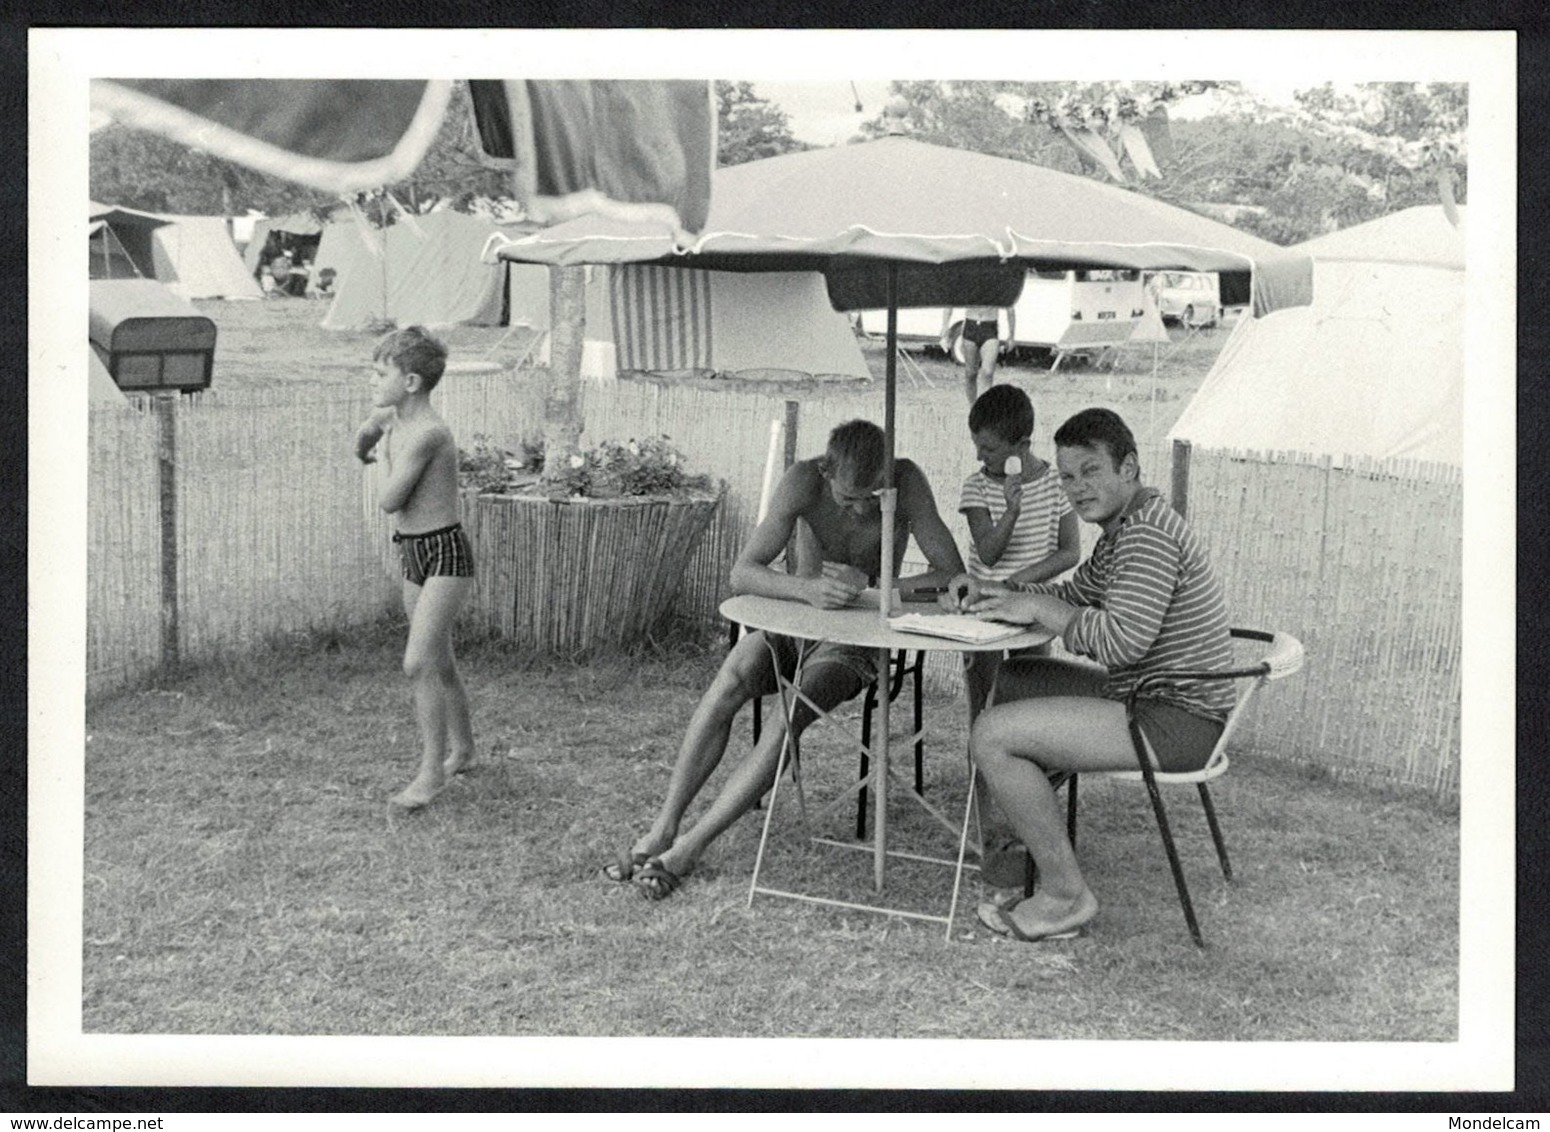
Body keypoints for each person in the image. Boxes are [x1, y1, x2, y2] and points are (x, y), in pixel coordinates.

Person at [607, 419, 967, 900]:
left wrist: (877, 588)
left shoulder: (907, 480)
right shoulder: (802, 480)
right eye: (848, 499)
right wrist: (807, 589)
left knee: (786, 715)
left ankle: (691, 847)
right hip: (794, 623)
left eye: (872, 497)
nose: (861, 509)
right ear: (825, 471)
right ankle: (663, 827)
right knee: (729, 680)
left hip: (855, 644)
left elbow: (951, 575)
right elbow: (742, 572)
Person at [947, 408, 1234, 942]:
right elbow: (1073, 597)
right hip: (1152, 696)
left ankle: (1064, 895)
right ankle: (1024, 845)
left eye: (1091, 471)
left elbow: (1122, 640)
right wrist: (1003, 594)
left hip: (1177, 720)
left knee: (991, 735)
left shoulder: (1147, 536)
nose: (1078, 489)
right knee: (1017, 679)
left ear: (1128, 467)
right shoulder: (1123, 530)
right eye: (1067, 476)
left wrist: (1038, 610)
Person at [956, 385, 1080, 883]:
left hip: (1029, 616)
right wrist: (1009, 508)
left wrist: (1019, 587)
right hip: (982, 614)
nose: (980, 456)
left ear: (1022, 444)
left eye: (989, 448)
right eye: (977, 446)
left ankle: (1029, 817)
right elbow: (985, 554)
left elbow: (1069, 551)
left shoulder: (1053, 487)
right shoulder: (976, 486)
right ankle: (984, 822)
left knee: (1027, 709)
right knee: (982, 709)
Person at [353, 326, 477, 810]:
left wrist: (380, 450)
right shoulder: (391, 417)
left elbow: (388, 500)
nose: (372, 380)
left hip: (445, 554)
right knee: (439, 661)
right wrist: (368, 440)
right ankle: (463, 749)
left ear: (410, 383)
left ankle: (431, 775)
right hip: (413, 553)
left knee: (417, 662)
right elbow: (365, 430)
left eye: (380, 373)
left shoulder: (427, 433)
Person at [941, 305, 1017, 406]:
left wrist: (1011, 335)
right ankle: (973, 408)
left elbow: (1009, 307)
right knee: (971, 373)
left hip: (990, 328)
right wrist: (945, 326)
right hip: (970, 326)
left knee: (988, 372)